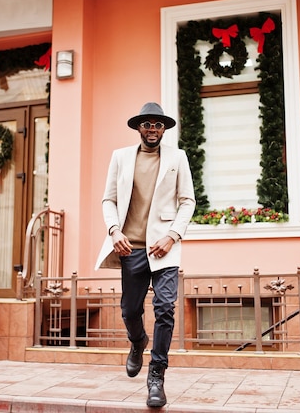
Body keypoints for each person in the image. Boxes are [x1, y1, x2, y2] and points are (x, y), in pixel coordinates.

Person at [95, 102, 196, 407]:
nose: (152, 129)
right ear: (139, 127)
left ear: (163, 128)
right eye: (147, 124)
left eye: (158, 124)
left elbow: (187, 201)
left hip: (164, 247)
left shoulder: (177, 158)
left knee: (165, 307)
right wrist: (114, 231)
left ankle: (157, 375)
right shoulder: (120, 157)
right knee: (129, 310)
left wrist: (172, 235)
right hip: (131, 247)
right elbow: (108, 199)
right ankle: (138, 341)